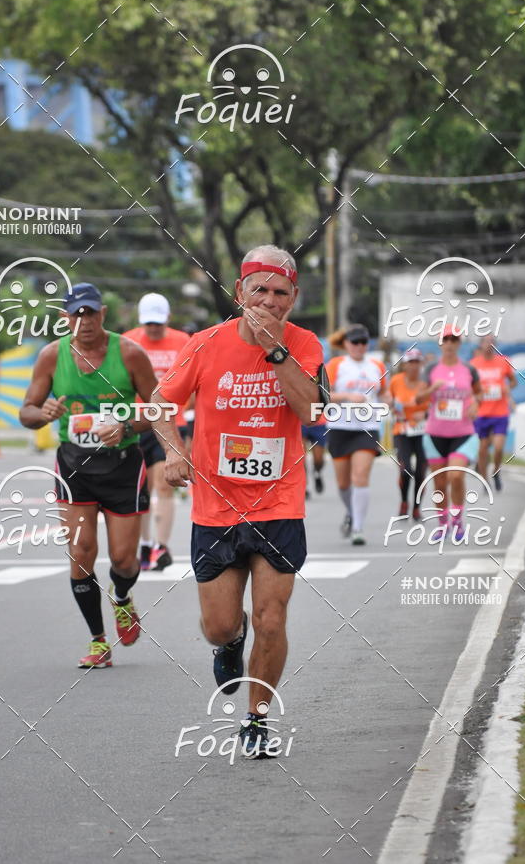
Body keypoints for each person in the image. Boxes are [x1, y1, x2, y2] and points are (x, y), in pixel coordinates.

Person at [151, 245, 326, 757]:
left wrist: (276, 351)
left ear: (293, 297)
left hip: (279, 503)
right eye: (259, 291)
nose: (269, 302)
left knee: (272, 619)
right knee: (220, 625)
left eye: (280, 293)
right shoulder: (205, 344)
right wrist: (174, 451)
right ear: (239, 293)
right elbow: (160, 404)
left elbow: (311, 411)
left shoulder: (304, 343)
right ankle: (231, 642)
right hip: (216, 506)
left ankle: (257, 719)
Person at [19, 283, 157, 667]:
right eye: (77, 315)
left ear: (103, 314)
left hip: (123, 465)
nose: (85, 322)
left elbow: (160, 408)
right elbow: (26, 411)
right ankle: (98, 641)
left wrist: (125, 427)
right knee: (81, 553)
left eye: (91, 313)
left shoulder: (129, 354)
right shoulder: (51, 356)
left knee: (124, 560)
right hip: (74, 465)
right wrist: (42, 414)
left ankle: (122, 597)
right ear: (65, 318)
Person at [123, 294, 190, 570]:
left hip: (170, 422)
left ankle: (161, 547)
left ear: (168, 319)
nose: (153, 328)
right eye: (148, 323)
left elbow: (193, 380)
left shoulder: (183, 341)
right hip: (137, 422)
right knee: (141, 487)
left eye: (158, 323)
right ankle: (145, 544)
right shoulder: (127, 341)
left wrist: (187, 412)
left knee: (164, 484)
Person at [416, 325, 482, 541]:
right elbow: (418, 398)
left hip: (463, 433)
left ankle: (457, 520)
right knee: (440, 482)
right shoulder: (431, 369)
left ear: (459, 343)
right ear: (440, 344)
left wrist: (475, 405)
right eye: (446, 340)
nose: (450, 344)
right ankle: (443, 524)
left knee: (456, 475)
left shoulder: (469, 369)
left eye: (454, 340)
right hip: (435, 434)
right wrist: (432, 389)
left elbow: (479, 394)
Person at [325, 325, 389, 545]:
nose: (359, 346)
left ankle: (358, 528)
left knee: (360, 476)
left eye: (363, 342)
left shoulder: (377, 366)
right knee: (343, 484)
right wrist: (347, 396)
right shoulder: (336, 365)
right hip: (339, 427)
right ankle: (352, 512)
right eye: (355, 342)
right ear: (346, 344)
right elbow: (322, 394)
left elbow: (384, 393)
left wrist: (389, 401)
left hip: (367, 429)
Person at [470, 335, 516, 491]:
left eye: (492, 342)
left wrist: (507, 388)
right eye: (486, 342)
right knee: (483, 449)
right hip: (481, 413)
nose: (489, 345)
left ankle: (496, 471)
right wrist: (474, 398)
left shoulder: (503, 361)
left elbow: (513, 381)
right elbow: (469, 386)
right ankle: (485, 480)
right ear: (481, 345)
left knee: (498, 447)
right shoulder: (474, 364)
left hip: (500, 412)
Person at [389, 348, 429, 520]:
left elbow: (437, 405)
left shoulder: (426, 383)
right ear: (404, 365)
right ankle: (404, 501)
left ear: (421, 364)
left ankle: (417, 507)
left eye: (416, 362)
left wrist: (425, 414)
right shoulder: (396, 381)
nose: (413, 366)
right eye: (410, 362)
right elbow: (389, 400)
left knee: (420, 472)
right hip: (402, 431)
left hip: (423, 432)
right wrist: (392, 407)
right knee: (406, 470)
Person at [301, 420, 327, 497]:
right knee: (301, 458)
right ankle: (304, 487)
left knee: (318, 460)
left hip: (319, 424)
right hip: (301, 423)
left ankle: (317, 473)